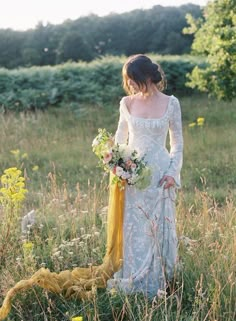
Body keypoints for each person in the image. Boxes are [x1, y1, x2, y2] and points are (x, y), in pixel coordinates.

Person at [106, 54, 183, 297]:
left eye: (133, 79)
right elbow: (120, 138)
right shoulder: (127, 103)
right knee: (134, 227)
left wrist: (173, 173)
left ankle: (159, 279)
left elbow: (177, 143)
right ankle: (132, 277)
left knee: (158, 227)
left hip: (160, 174)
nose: (130, 84)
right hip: (133, 173)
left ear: (147, 76)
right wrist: (116, 164)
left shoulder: (171, 103)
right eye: (127, 80)